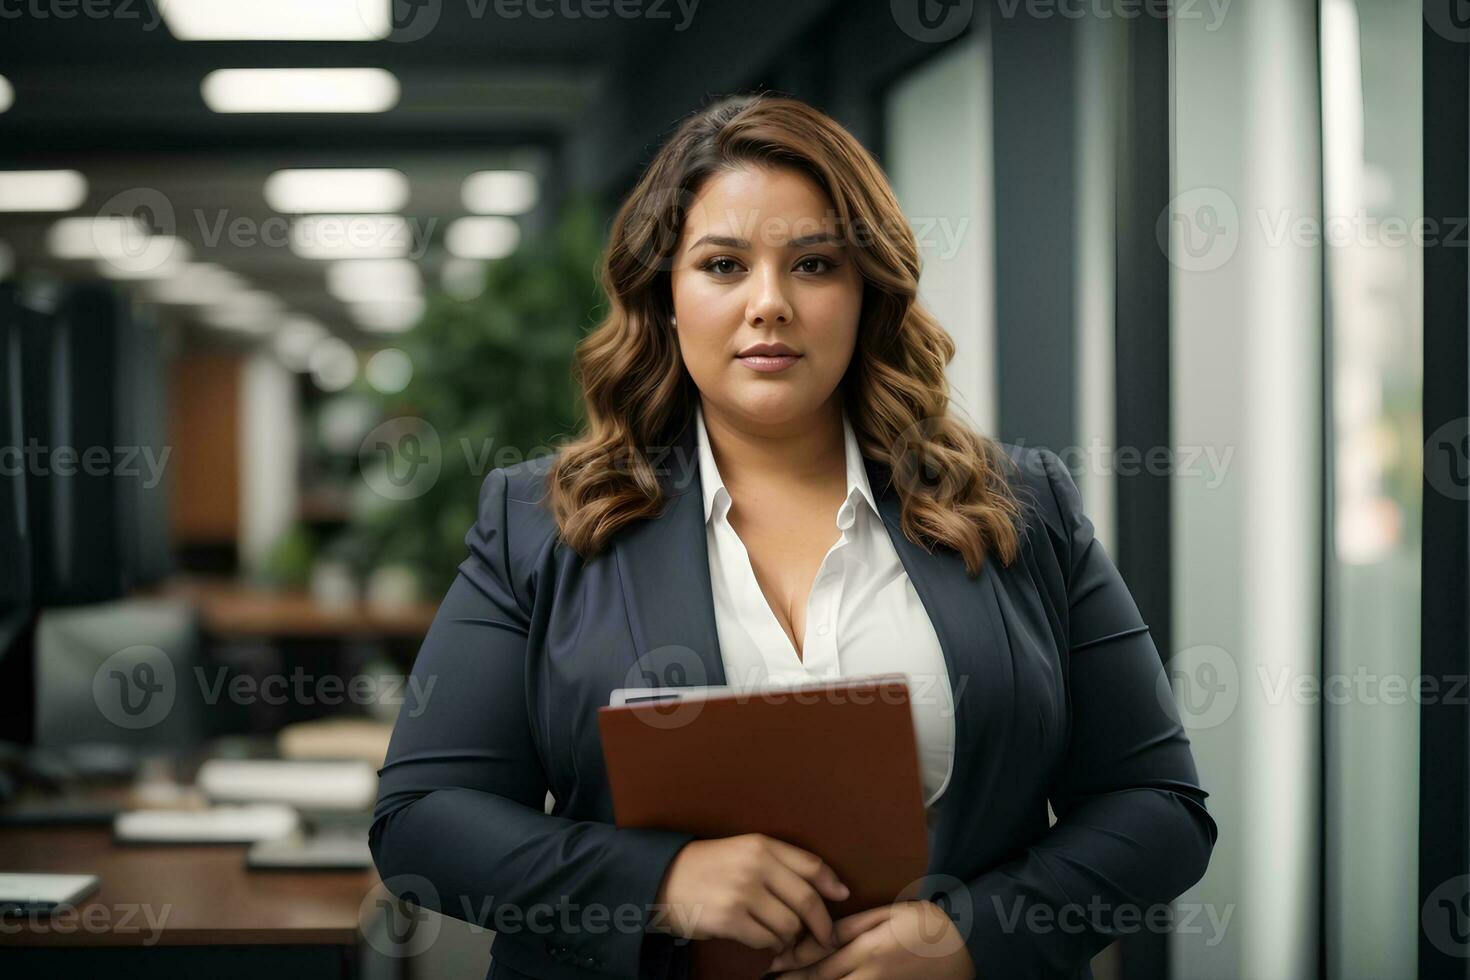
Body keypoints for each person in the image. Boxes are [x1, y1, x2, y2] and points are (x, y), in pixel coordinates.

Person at [370, 92, 1216, 980]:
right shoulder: (540, 523)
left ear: (866, 293)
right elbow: (424, 816)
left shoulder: (1019, 505)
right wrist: (661, 882)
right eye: (724, 265)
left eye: (813, 264)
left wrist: (974, 939)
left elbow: (1158, 808)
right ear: (665, 296)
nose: (769, 303)